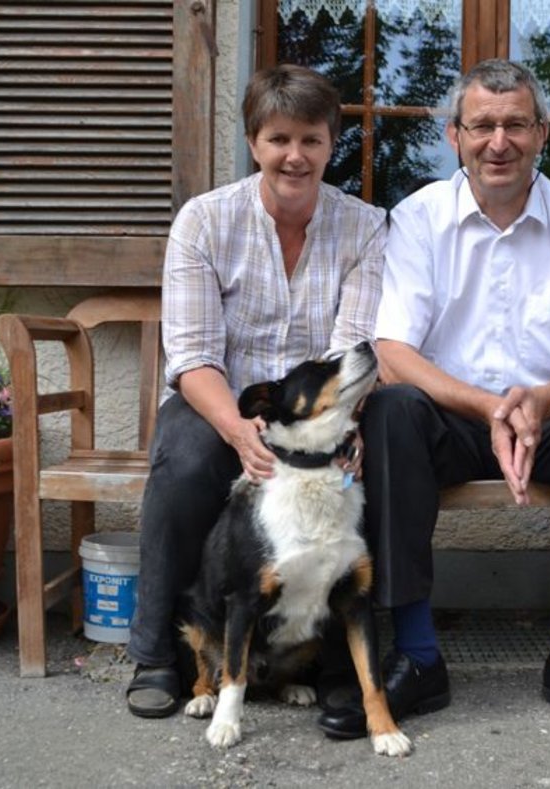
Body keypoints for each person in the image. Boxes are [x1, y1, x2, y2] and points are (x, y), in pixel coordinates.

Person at [316, 59, 550, 740]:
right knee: (391, 408)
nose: (498, 142)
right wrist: (486, 406)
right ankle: (417, 655)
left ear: (542, 134)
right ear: (455, 135)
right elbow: (393, 351)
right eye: (482, 126)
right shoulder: (419, 218)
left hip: (549, 422)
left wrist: (548, 396)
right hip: (450, 420)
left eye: (515, 125)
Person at [124, 64, 387, 719]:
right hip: (224, 401)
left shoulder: (365, 228)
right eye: (279, 139)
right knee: (186, 458)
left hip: (324, 413)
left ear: (332, 144)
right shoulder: (205, 221)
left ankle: (337, 665)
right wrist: (241, 432)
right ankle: (156, 653)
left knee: (383, 451)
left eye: (311, 139)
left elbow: (353, 349)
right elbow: (192, 356)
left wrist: (344, 430)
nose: (295, 156)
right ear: (253, 142)